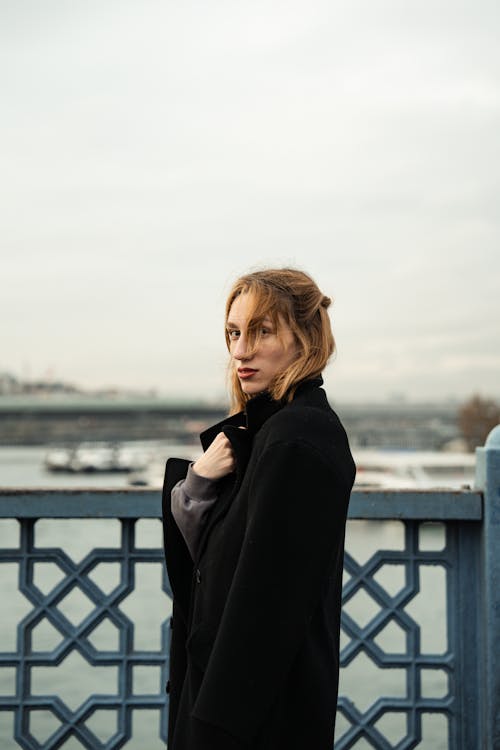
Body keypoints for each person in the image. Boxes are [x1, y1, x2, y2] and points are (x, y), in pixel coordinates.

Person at [161, 268, 356, 750]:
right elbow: (214, 562)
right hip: (237, 709)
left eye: (261, 331)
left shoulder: (295, 439)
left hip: (249, 723)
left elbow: (266, 614)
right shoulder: (268, 432)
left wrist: (211, 729)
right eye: (233, 332)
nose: (240, 351)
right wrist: (200, 481)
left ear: (305, 337)